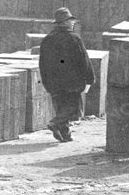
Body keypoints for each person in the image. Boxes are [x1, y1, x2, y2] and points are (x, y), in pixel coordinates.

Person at [37, 8, 95, 143]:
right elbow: (84, 60)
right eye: (70, 21)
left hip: (53, 81)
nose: (73, 23)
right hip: (72, 81)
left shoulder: (47, 39)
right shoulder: (74, 38)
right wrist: (90, 78)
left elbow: (42, 63)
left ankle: (65, 134)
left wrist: (46, 81)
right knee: (73, 107)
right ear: (64, 22)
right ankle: (55, 123)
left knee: (61, 107)